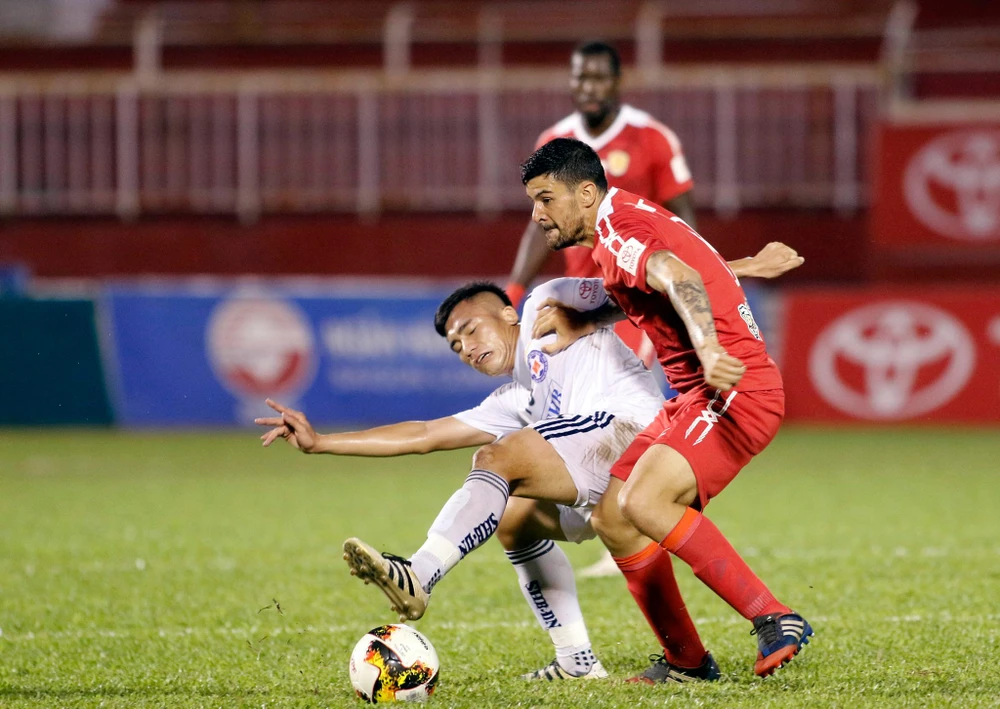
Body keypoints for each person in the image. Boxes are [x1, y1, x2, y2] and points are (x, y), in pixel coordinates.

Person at [259, 247, 801, 682]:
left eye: (471, 330)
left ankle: (418, 574)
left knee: (499, 458)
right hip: (597, 471)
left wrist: (745, 266)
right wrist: (321, 442)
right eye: (455, 346)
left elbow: (644, 285)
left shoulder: (548, 299)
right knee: (514, 519)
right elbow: (424, 434)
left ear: (508, 313)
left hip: (634, 435)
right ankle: (583, 661)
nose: (466, 348)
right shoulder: (517, 398)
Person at [519, 136, 811, 679]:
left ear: (586, 194)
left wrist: (710, 347)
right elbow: (663, 276)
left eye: (546, 199)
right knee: (613, 516)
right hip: (695, 397)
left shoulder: (619, 231)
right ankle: (686, 660)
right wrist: (584, 320)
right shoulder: (621, 222)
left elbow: (680, 276)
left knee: (646, 501)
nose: (537, 215)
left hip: (733, 392)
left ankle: (773, 615)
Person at [505, 40, 699, 579]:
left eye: (597, 78)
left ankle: (630, 522)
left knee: (619, 406)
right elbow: (538, 224)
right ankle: (621, 516)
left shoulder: (652, 138)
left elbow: (684, 218)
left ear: (616, 82)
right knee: (581, 409)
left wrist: (683, 284)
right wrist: (515, 288)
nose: (587, 87)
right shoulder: (554, 141)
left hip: (633, 294)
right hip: (577, 298)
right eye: (579, 77)